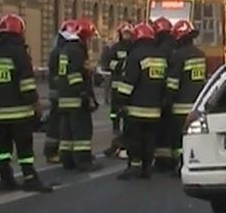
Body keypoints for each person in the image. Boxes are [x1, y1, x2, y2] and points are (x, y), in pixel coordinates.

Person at [0, 14, 53, 193]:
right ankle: (30, 178)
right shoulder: (19, 52)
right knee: (24, 147)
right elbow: (26, 83)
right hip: (20, 111)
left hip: (2, 112)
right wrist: (35, 103)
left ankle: (6, 179)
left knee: (3, 148)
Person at [115, 22, 168, 180]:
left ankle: (135, 167)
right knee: (150, 139)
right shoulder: (161, 56)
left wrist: (120, 102)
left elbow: (128, 83)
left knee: (135, 138)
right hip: (155, 109)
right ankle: (147, 168)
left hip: (136, 109)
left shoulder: (135, 55)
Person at [56, 19, 101, 172]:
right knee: (82, 130)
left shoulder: (66, 49)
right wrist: (84, 94)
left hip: (65, 97)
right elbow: (75, 74)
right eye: (88, 38)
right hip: (75, 98)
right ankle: (83, 160)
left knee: (67, 131)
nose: (88, 41)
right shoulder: (76, 50)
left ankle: (67, 158)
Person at [165, 20, 206, 177]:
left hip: (180, 106)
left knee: (178, 138)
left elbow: (173, 83)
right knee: (194, 136)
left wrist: (167, 100)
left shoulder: (178, 56)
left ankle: (181, 164)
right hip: (196, 105)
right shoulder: (200, 55)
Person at [44, 19, 78, 164]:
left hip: (56, 91)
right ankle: (52, 152)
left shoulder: (57, 50)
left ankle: (55, 151)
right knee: (57, 123)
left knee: (58, 122)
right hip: (60, 92)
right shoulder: (62, 51)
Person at [102, 21, 134, 158]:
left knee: (127, 113)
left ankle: (124, 138)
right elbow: (108, 63)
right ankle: (115, 128)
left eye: (129, 33)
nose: (127, 36)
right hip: (117, 85)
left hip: (129, 86)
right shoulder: (115, 48)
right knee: (115, 112)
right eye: (125, 33)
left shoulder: (134, 47)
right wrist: (121, 65)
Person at [151, 16, 176, 172]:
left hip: (163, 96)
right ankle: (172, 160)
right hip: (177, 97)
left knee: (162, 131)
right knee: (172, 131)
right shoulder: (175, 47)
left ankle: (162, 162)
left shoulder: (160, 50)